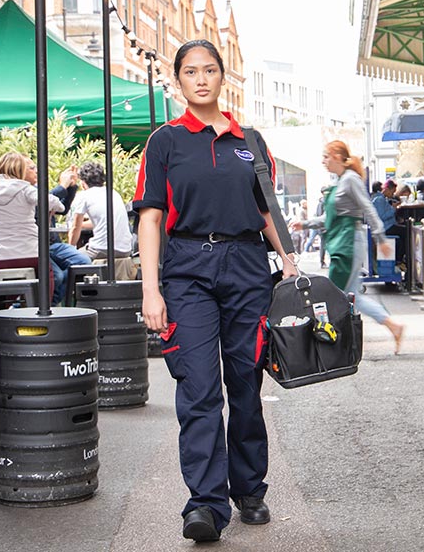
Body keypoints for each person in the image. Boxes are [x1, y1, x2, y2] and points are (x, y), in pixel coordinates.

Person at [133, 39, 297, 543]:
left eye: (208, 70)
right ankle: (204, 503)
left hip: (248, 268)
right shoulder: (165, 141)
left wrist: (289, 262)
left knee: (246, 384)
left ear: (222, 76)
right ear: (178, 81)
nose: (200, 79)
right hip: (187, 271)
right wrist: (151, 291)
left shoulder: (250, 139)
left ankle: (250, 490)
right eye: (189, 72)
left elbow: (266, 208)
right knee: (199, 387)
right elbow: (151, 217)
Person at [292, 140, 404, 352]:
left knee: (337, 294)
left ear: (336, 156)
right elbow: (329, 217)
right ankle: (390, 327)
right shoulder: (341, 180)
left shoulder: (350, 179)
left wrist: (380, 238)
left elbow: (368, 209)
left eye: (326, 156)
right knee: (350, 295)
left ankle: (332, 340)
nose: (323, 161)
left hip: (349, 243)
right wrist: (305, 223)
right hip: (343, 243)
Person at [0, 152, 63, 297]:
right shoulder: (25, 189)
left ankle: (3, 313)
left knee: (10, 282)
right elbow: (52, 201)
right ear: (19, 170)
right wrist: (59, 206)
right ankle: (42, 310)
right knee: (48, 273)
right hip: (28, 254)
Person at [23, 158, 92, 305]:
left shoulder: (37, 189)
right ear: (19, 170)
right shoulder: (23, 192)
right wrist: (62, 186)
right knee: (57, 276)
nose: (36, 170)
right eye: (31, 168)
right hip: (36, 245)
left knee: (83, 262)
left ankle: (51, 304)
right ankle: (42, 306)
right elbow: (40, 207)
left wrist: (71, 187)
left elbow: (61, 208)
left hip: (53, 244)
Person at [68, 161, 136, 279]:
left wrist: (70, 247)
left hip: (101, 250)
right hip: (125, 250)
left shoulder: (84, 196)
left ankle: (69, 294)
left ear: (83, 182)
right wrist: (84, 225)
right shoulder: (113, 193)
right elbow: (104, 221)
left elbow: (75, 228)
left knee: (70, 258)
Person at [372, 177, 406, 263]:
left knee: (403, 231)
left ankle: (400, 258)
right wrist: (393, 209)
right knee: (406, 231)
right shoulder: (379, 200)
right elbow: (382, 216)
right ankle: (400, 259)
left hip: (388, 226)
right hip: (386, 227)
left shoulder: (383, 199)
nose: (393, 194)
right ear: (387, 189)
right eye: (392, 192)